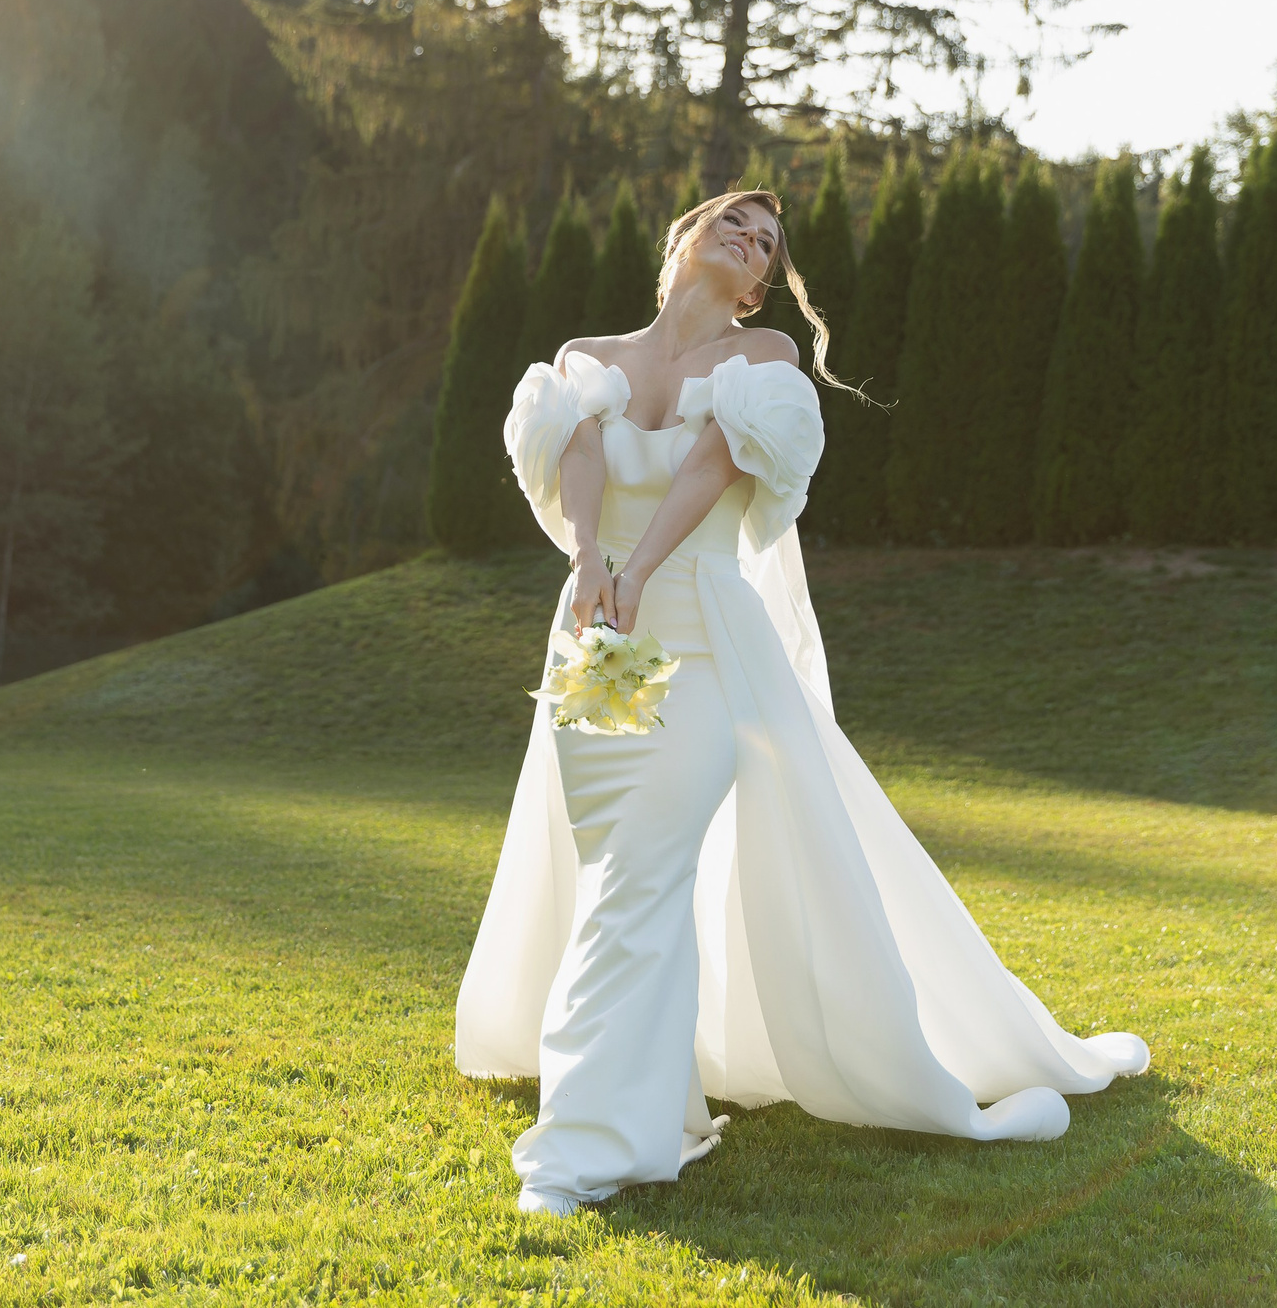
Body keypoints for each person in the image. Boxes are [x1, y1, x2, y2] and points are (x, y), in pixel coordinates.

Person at [459, 188, 1148, 1217]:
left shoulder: (764, 360)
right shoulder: (586, 355)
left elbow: (716, 462)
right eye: (732, 224)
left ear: (760, 285)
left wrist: (639, 569)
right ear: (685, 241)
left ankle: (580, 1153)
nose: (748, 243)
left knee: (641, 865)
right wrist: (596, 568)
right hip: (594, 633)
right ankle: (654, 1098)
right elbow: (580, 460)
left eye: (766, 245)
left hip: (696, 634)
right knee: (613, 865)